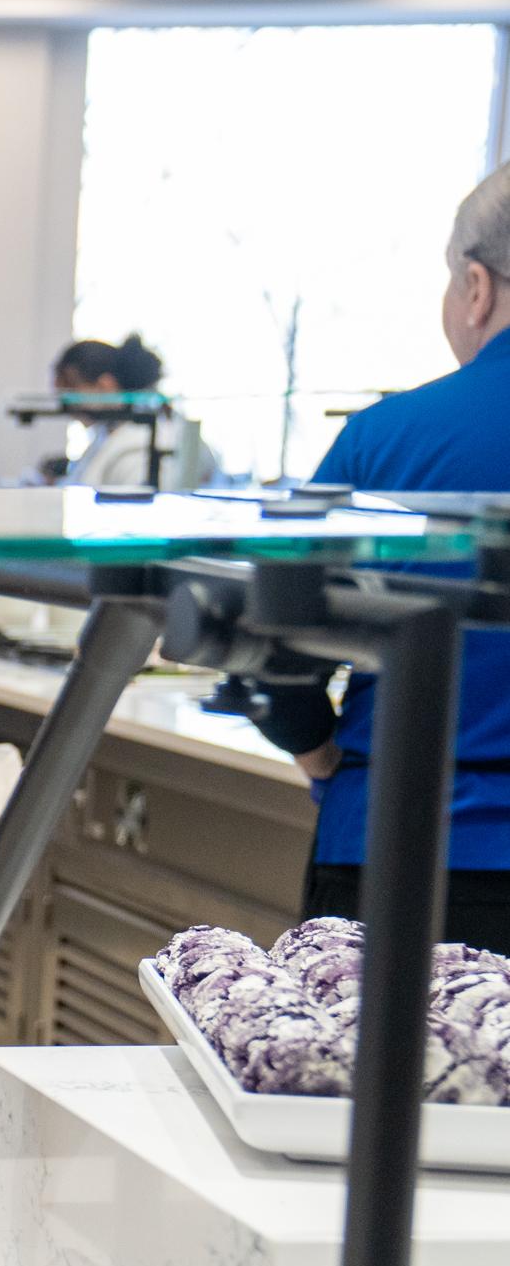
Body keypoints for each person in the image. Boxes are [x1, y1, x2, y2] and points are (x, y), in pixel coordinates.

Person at [250, 162, 510, 951]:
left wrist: (316, 746)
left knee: (373, 1073)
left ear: (476, 286)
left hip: (399, 838)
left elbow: (274, 629)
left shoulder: (385, 437)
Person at [51, 333, 180, 492]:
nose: (67, 405)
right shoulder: (107, 434)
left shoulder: (137, 444)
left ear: (105, 386)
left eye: (71, 389)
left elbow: (134, 507)